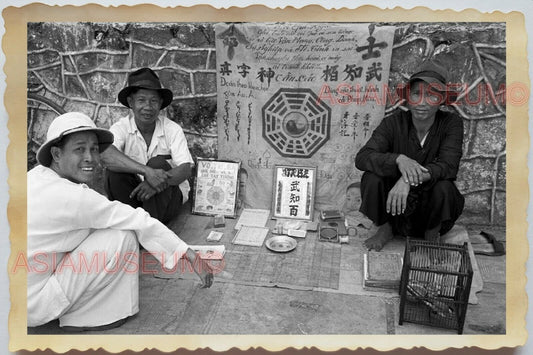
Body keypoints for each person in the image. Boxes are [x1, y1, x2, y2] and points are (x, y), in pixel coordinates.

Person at [27, 112, 213, 331]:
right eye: (79, 149)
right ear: (56, 154)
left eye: (94, 149)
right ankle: (87, 317)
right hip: (36, 305)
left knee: (102, 225)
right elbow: (136, 219)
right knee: (122, 234)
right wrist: (189, 254)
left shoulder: (35, 177)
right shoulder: (72, 196)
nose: (90, 157)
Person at [355, 61, 465, 251]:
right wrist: (399, 159)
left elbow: (449, 165)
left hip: (429, 210)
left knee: (445, 187)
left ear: (441, 100)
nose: (422, 102)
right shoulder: (393, 123)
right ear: (408, 98)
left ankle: (431, 235)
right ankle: (386, 228)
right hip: (395, 207)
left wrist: (407, 180)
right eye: (416, 94)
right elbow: (363, 157)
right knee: (371, 178)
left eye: (431, 95)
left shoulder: (451, 123)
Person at [101, 67, 193, 224]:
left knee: (158, 163)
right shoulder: (121, 127)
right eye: (141, 100)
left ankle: (146, 230)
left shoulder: (172, 129)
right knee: (114, 172)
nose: (148, 107)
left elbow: (185, 169)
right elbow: (106, 155)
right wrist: (147, 172)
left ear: (161, 103)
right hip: (135, 199)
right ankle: (136, 225)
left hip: (167, 200)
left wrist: (156, 183)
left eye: (153, 101)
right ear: (131, 102)